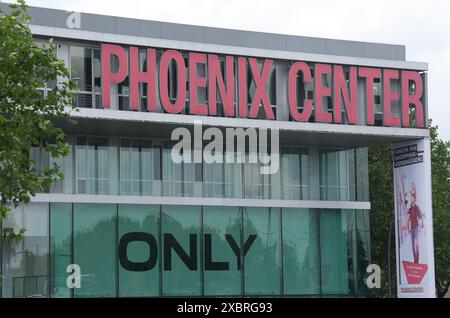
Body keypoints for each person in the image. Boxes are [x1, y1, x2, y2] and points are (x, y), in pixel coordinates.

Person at [403, 183, 424, 263]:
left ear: (414, 199)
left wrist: (421, 223)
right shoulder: (410, 208)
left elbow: (420, 216)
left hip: (416, 228)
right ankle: (415, 260)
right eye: (410, 199)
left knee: (416, 244)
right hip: (411, 228)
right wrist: (406, 226)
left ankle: (417, 260)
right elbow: (407, 217)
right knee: (412, 245)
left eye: (412, 198)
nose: (411, 200)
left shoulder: (416, 207)